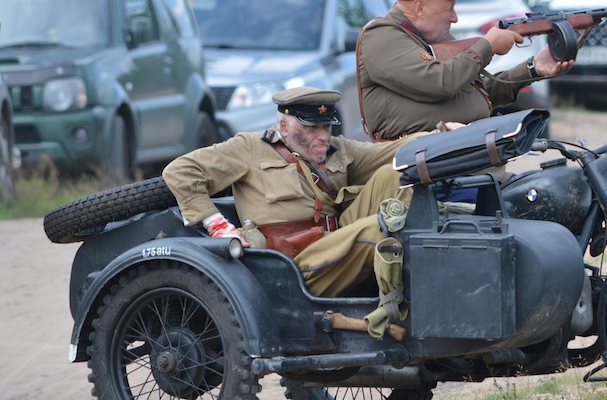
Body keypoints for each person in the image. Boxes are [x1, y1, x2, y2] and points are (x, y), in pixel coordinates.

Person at [162, 86, 425, 298]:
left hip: (338, 241)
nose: (322, 136)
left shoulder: (336, 149)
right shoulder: (250, 147)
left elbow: (396, 151)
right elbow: (181, 171)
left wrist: (446, 133)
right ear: (284, 127)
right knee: (378, 228)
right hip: (293, 266)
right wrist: (218, 226)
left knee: (396, 174)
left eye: (326, 126)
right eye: (311, 128)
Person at [357, 0, 572, 141]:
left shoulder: (435, 39)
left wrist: (533, 67)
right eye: (448, 8)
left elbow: (479, 92)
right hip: (409, 162)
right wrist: (488, 45)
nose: (454, 18)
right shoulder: (380, 36)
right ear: (420, 7)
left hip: (451, 152)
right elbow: (438, 82)